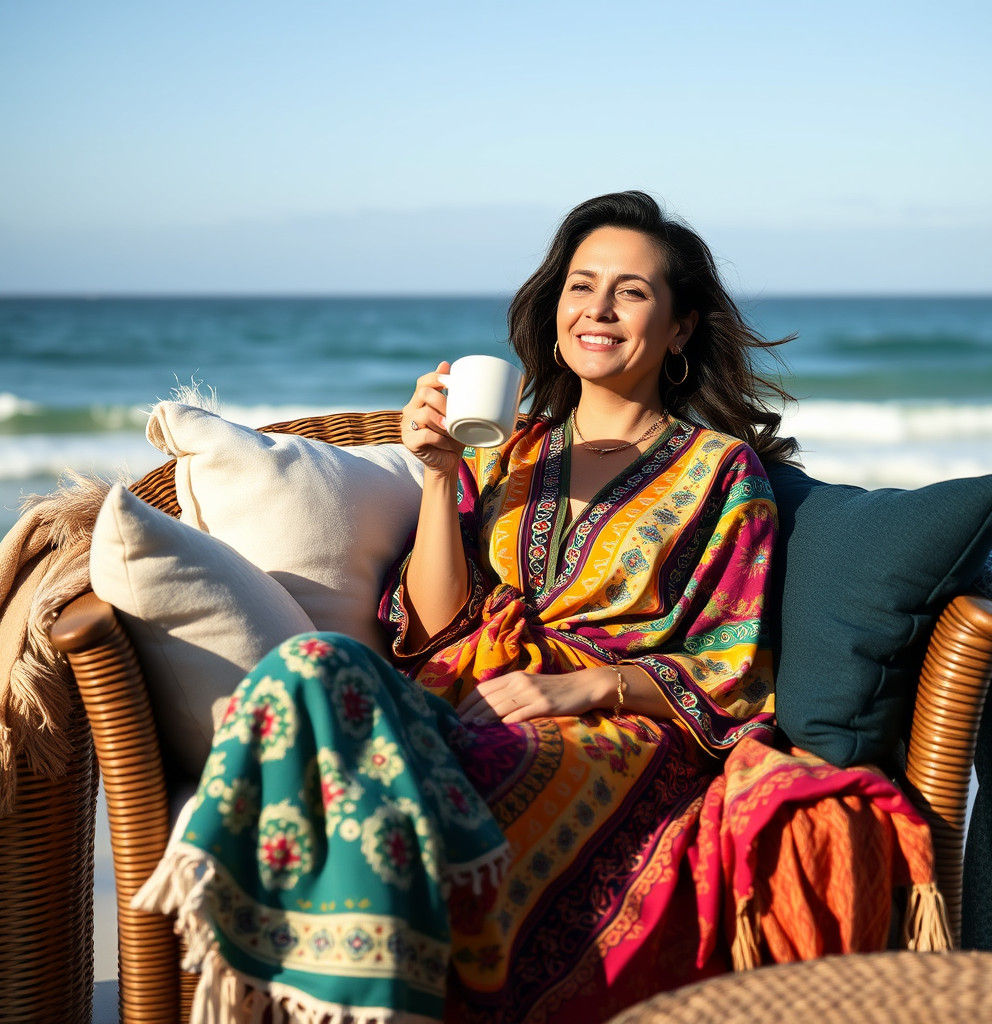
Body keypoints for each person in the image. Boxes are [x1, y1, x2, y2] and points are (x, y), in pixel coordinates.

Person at [135, 192, 943, 1024]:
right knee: (310, 668)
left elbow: (732, 667)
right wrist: (443, 472)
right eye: (580, 285)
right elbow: (436, 627)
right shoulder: (508, 451)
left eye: (630, 291)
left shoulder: (722, 472)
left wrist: (589, 688)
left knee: (446, 778)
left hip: (615, 737)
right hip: (466, 698)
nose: (597, 308)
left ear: (680, 327)